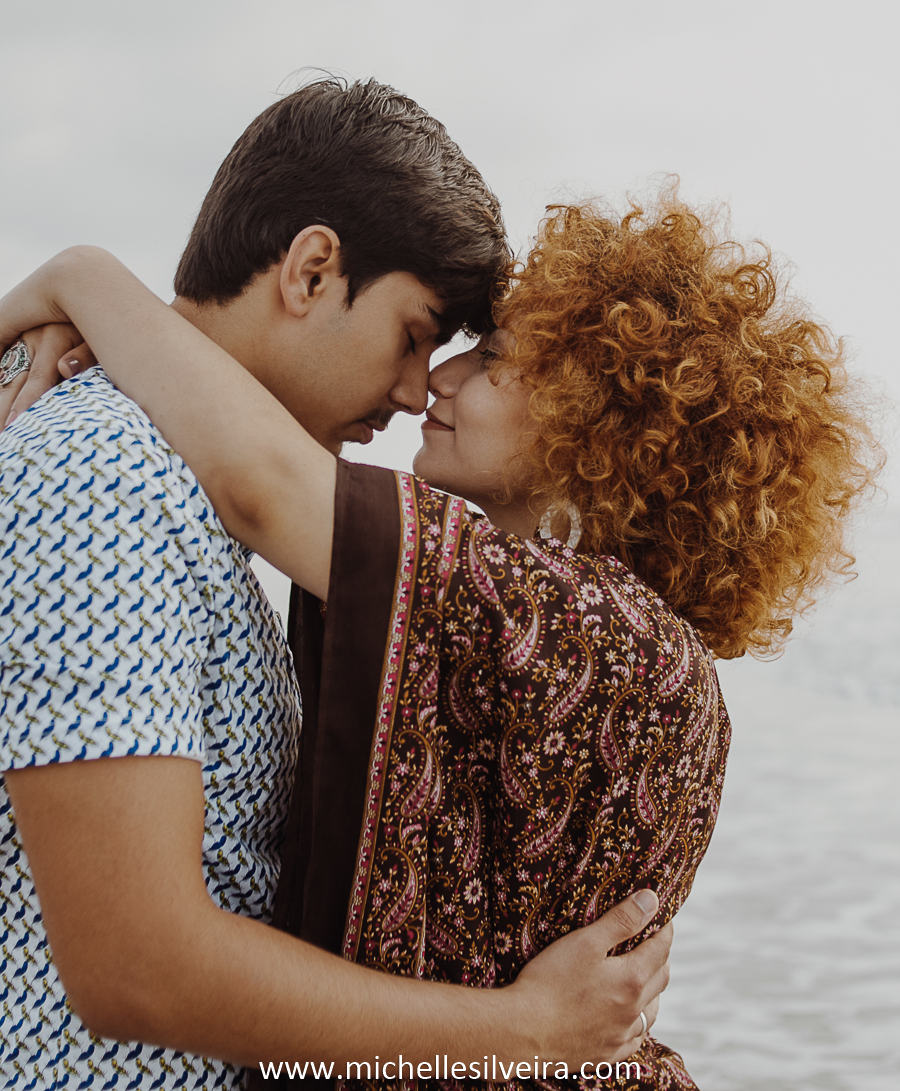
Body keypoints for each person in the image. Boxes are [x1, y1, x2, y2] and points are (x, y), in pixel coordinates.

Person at [0, 195, 878, 1089]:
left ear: (602, 420)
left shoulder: (595, 632)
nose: (439, 383)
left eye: (494, 363)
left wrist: (84, 277)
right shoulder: (602, 632)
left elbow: (265, 482)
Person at [0, 80, 671, 1091]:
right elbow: (134, 965)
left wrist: (85, 281)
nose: (414, 395)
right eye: (414, 336)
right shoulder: (106, 479)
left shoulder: (181, 488)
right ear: (313, 270)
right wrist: (524, 1033)